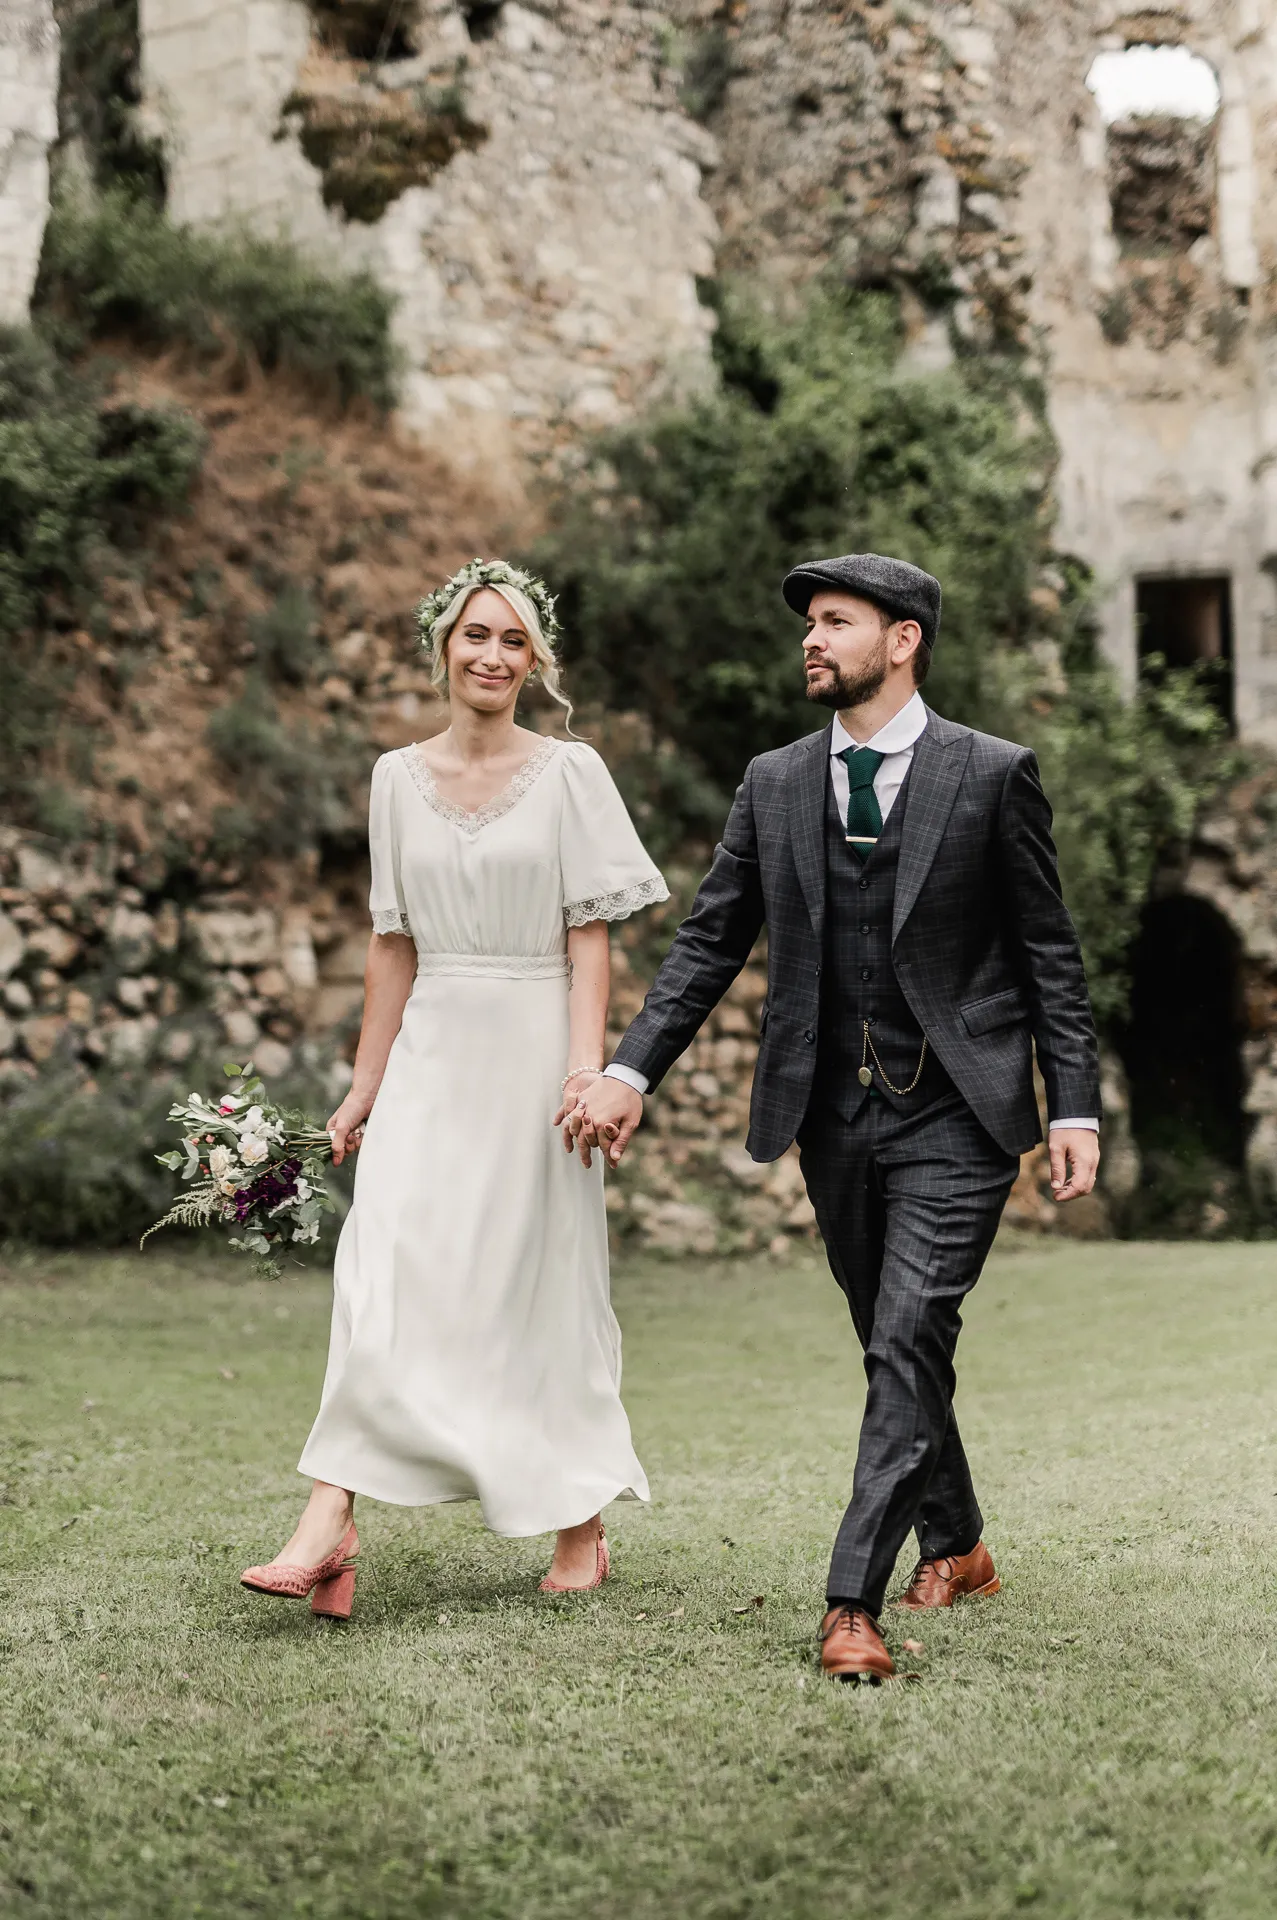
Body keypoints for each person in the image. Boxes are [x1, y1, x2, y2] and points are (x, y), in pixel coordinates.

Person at [565, 552, 1101, 1681]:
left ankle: (850, 1601)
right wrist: (629, 1071)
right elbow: (710, 942)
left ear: (902, 641)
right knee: (890, 1338)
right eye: (808, 622)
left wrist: (1075, 1107)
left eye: (835, 621)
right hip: (829, 1113)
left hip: (958, 1108)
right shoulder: (773, 782)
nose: (811, 639)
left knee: (907, 1333)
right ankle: (957, 1543)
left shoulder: (991, 772)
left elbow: (1047, 954)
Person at [241, 558, 668, 1616]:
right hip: (430, 1053)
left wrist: (585, 1070)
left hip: (534, 1052)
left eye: (513, 640)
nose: (492, 655)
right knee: (380, 1267)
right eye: (475, 634)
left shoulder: (569, 773)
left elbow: (589, 938)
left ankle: (579, 1522)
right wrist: (363, 1088)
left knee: (540, 1281)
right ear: (442, 647)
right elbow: (392, 944)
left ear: (534, 660)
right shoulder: (394, 777)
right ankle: (329, 1517)